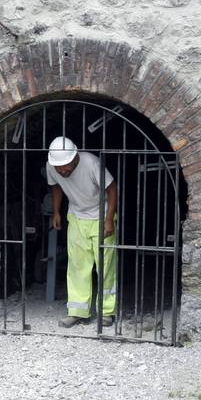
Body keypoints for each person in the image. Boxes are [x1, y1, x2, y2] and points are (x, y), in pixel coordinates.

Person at [47, 136, 118, 328]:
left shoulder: (91, 163)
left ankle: (106, 311)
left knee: (104, 265)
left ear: (75, 156)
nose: (62, 170)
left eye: (65, 166)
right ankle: (78, 311)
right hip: (77, 217)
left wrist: (109, 220)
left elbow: (112, 189)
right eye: (58, 167)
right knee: (78, 265)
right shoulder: (52, 165)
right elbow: (55, 187)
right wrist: (56, 212)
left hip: (101, 217)